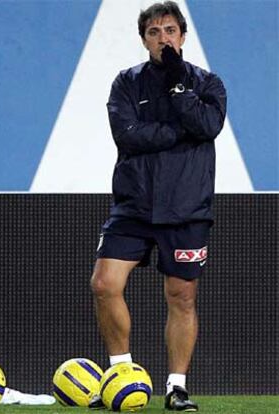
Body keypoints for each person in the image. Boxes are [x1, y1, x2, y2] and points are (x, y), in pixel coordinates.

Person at [90, 1, 226, 411]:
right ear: (144, 39)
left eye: (170, 30)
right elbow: (127, 134)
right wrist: (177, 133)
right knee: (104, 285)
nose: (162, 37)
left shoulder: (208, 84)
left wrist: (177, 86)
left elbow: (207, 127)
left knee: (181, 297)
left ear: (183, 36)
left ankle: (176, 386)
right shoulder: (126, 82)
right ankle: (121, 376)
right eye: (154, 32)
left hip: (186, 209)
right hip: (133, 205)